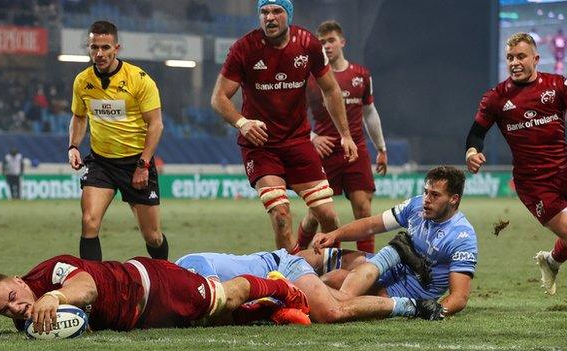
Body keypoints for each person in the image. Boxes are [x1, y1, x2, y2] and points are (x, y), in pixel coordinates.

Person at [211, 0, 358, 253]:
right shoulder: (244, 48)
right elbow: (219, 98)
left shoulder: (307, 43)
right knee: (281, 216)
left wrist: (346, 135)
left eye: (277, 11)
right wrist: (242, 123)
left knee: (330, 219)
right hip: (261, 146)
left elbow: (331, 89)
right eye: (264, 11)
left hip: (298, 143)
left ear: (288, 15)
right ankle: (287, 282)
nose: (270, 17)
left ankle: (328, 276)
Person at [465, 32, 567, 299]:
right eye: (510, 57)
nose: (514, 62)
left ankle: (550, 261)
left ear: (535, 58)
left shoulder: (557, 84)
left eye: (521, 56)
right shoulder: (496, 97)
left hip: (565, 174)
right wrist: (471, 152)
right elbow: (476, 134)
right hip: (534, 183)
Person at [0, 255, 310, 333]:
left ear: (20, 280)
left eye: (12, 297)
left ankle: (283, 287)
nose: (17, 308)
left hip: (149, 284)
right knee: (208, 322)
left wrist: (56, 297)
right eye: (6, 311)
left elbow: (87, 287)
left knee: (224, 298)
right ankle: (268, 310)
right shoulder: (28, 323)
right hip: (139, 320)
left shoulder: (51, 272)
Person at [312, 166, 478, 318]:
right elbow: (371, 225)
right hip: (390, 268)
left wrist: (434, 310)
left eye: (435, 195)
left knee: (333, 281)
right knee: (312, 258)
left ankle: (299, 301)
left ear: (453, 199)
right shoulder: (417, 205)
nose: (426, 199)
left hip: (405, 292)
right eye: (426, 192)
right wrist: (335, 235)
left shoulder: (462, 236)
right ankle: (295, 291)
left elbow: (459, 296)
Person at [68, 21, 167, 261]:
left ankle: (167, 281)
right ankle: (92, 287)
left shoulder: (139, 79)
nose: (99, 54)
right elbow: (79, 117)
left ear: (117, 48)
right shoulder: (82, 81)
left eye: (105, 47)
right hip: (101, 163)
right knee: (89, 222)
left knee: (152, 236)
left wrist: (143, 164)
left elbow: (156, 124)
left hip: (136, 163)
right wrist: (73, 146)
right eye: (94, 47)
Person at [298, 20, 387, 254]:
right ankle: (296, 252)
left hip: (355, 149)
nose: (327, 46)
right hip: (325, 152)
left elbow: (370, 113)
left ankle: (368, 262)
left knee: (363, 208)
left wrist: (381, 148)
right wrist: (313, 136)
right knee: (316, 215)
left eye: (331, 40)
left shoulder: (361, 75)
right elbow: (293, 112)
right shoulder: (311, 79)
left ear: (342, 42)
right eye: (322, 42)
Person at [176, 247, 445, 323]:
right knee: (339, 293)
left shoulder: (192, 265)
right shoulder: (182, 284)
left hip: (281, 269)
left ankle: (413, 307)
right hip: (272, 285)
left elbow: (222, 306)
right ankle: (391, 256)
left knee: (331, 311)